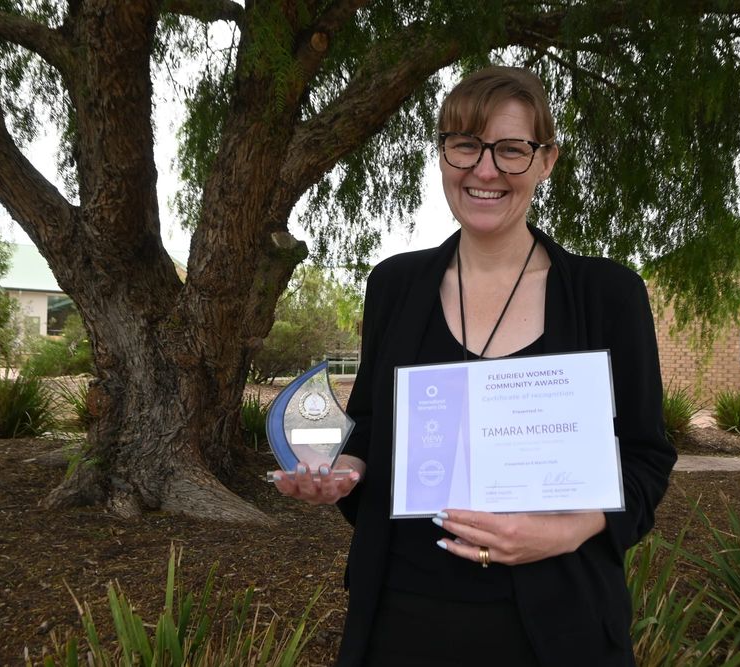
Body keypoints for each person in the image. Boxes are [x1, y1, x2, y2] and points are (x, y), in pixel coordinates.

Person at [273, 66, 677, 666]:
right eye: (465, 145)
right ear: (442, 155)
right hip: (401, 622)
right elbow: (368, 432)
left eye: (511, 150)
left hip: (559, 628)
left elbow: (645, 458)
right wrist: (339, 472)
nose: (484, 170)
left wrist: (561, 533)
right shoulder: (394, 285)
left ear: (546, 162)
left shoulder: (607, 294)